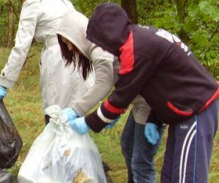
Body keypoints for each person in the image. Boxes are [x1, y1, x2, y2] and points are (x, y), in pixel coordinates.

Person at [68, 3, 219, 183]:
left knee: (187, 178)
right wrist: (153, 119)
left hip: (196, 110)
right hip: (183, 113)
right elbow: (159, 85)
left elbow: (121, 97)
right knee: (171, 175)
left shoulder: (135, 49)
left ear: (108, 34)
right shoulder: (137, 39)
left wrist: (88, 122)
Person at [56, 10, 163, 183]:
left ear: (76, 34)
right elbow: (123, 82)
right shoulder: (97, 47)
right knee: (128, 146)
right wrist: (116, 109)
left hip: (149, 105)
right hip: (140, 101)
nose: (69, 48)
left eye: (68, 42)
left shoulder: (99, 49)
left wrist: (77, 111)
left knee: (141, 163)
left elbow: (103, 84)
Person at [0, 0, 86, 123]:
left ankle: (55, 147)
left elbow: (21, 47)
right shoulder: (63, 1)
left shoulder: (32, 4)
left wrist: (4, 82)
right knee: (74, 113)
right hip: (78, 59)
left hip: (58, 60)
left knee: (55, 114)